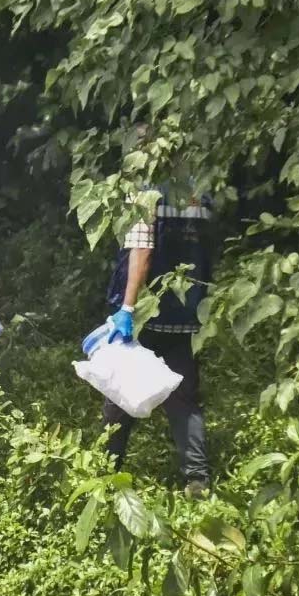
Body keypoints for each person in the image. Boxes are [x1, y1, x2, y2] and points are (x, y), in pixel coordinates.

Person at [104, 183, 213, 498]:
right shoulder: (201, 189)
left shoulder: (145, 192)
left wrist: (127, 307)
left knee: (119, 395)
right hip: (186, 310)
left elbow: (143, 250)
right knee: (184, 400)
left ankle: (106, 473)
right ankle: (197, 481)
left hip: (145, 313)